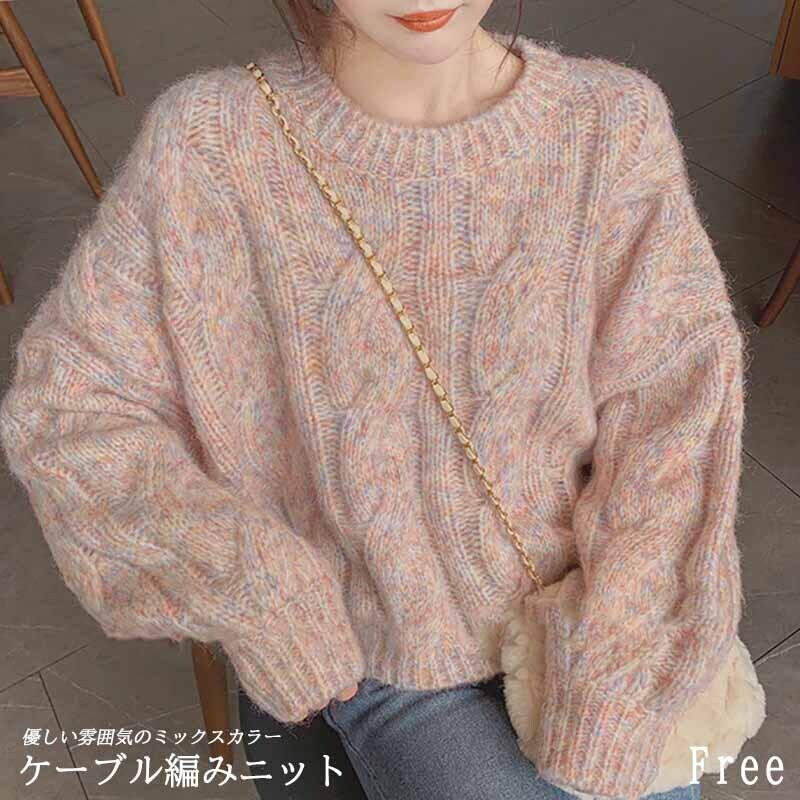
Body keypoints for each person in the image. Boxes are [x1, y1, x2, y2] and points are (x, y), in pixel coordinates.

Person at [0, 1, 749, 798]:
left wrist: (618, 662)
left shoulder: (610, 123)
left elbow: (676, 412)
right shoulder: (211, 142)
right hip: (378, 648)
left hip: (592, 595)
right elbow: (71, 409)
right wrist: (260, 587)